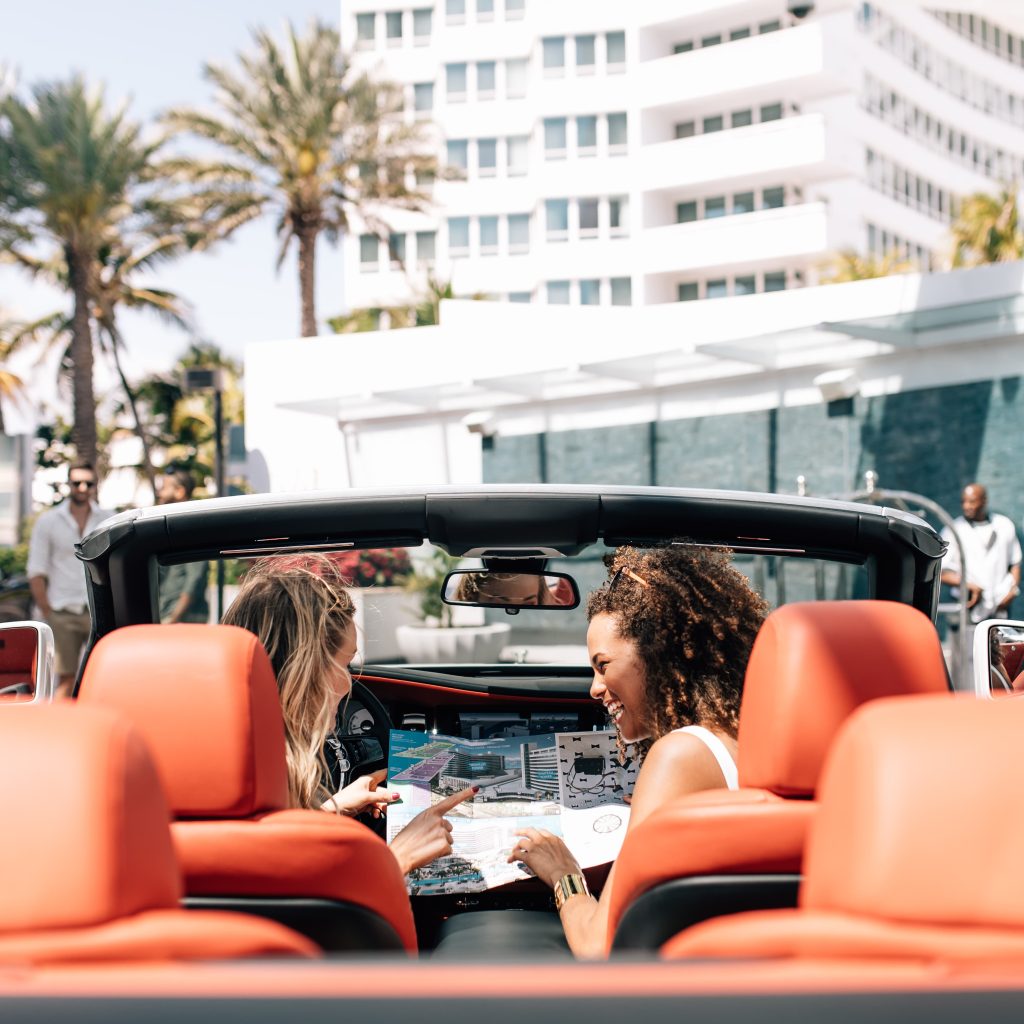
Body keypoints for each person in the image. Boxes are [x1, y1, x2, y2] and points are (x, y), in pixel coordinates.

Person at [437, 543, 768, 959]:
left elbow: (599, 946)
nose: (594, 688)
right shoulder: (751, 737)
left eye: (603, 664)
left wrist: (563, 873)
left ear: (659, 653)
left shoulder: (682, 754)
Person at [221, 553, 475, 875]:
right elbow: (303, 905)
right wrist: (400, 857)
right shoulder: (259, 777)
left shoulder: (233, 762)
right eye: (342, 664)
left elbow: (274, 852)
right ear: (300, 669)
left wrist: (333, 809)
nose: (347, 685)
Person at [26, 460, 113, 696]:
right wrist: (48, 611)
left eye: (88, 483)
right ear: (69, 484)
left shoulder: (108, 519)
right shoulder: (49, 521)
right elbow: (36, 570)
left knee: (103, 678)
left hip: (98, 609)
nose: (82, 488)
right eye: (77, 483)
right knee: (65, 680)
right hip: (61, 610)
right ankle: (59, 730)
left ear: (95, 485)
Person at [940, 483, 1021, 625]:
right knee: (968, 646)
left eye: (972, 501)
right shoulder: (953, 529)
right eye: (963, 501)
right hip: (968, 606)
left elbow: (1015, 562)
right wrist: (968, 585)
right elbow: (940, 571)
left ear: (984, 500)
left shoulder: (1004, 525)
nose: (966, 506)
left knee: (998, 646)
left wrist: (1012, 591)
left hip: (1000, 608)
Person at [157, 470, 211, 624]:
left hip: (184, 619)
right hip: (171, 615)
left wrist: (173, 618)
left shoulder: (192, 527)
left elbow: (194, 578)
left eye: (164, 487)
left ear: (180, 492)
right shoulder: (171, 526)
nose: (159, 492)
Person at [454, 571, 573, 606]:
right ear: (470, 597)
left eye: (529, 604)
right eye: (500, 604)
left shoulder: (563, 590)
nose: (515, 611)